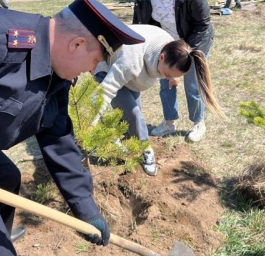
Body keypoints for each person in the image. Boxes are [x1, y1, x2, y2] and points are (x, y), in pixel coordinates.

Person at [0, 0, 145, 256]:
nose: (94, 70)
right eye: (96, 61)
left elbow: (58, 138)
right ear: (77, 44)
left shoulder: (56, 75)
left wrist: (85, 210)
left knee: (5, 177)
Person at [93, 25, 224, 176]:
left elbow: (171, 66)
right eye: (167, 74)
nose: (167, 78)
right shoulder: (131, 60)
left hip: (132, 79)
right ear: (161, 57)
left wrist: (173, 76)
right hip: (108, 70)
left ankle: (121, 145)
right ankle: (146, 150)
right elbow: (105, 91)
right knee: (134, 114)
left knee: (133, 118)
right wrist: (90, 124)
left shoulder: (171, 48)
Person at [133, 0, 214, 142]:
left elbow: (202, 25)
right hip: (166, 45)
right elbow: (140, 24)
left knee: (192, 85)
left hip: (195, 42)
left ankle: (198, 122)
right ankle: (169, 123)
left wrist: (182, 59)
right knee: (166, 83)